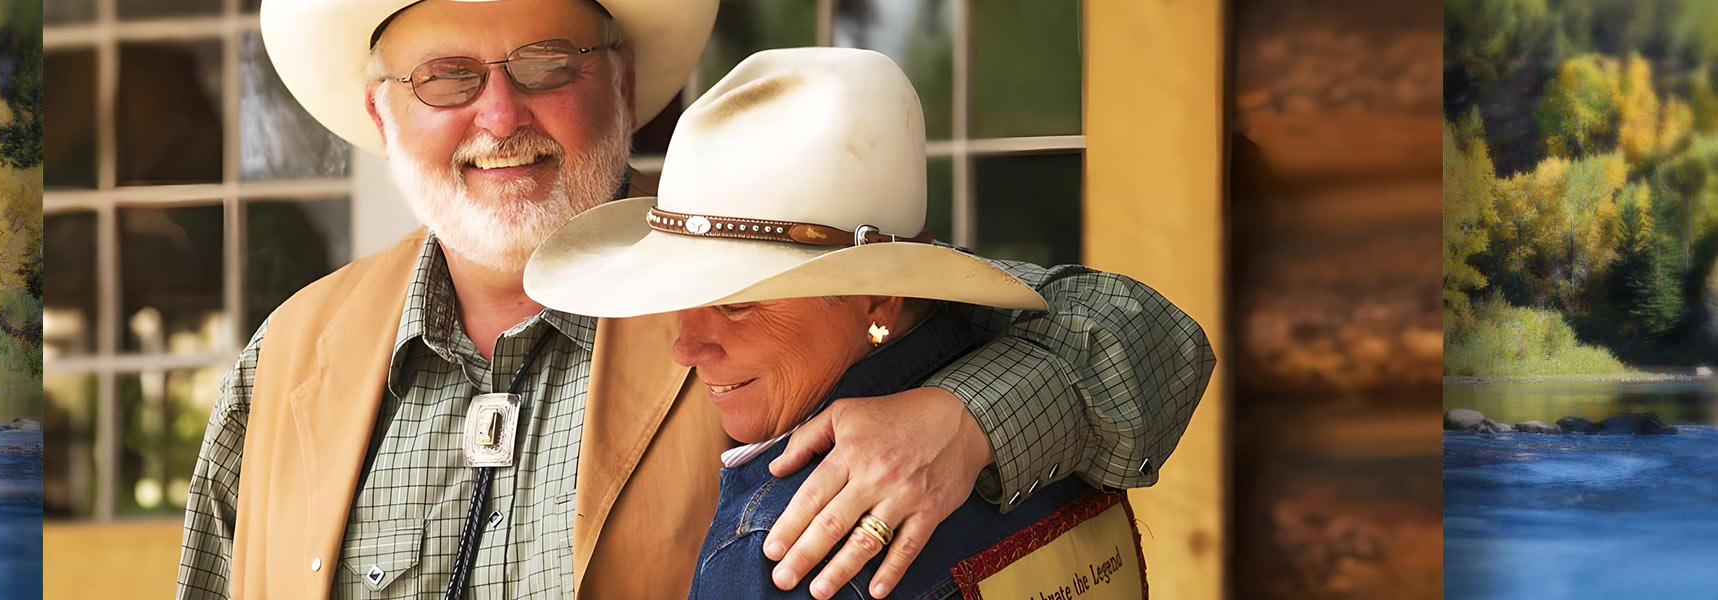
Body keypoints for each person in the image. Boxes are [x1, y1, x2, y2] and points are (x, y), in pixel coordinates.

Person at [176, 1, 1215, 599]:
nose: (500, 114)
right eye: (446, 80)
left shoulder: (760, 264)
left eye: (546, 63)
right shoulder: (289, 357)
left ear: (624, 81)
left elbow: (1148, 336)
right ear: (381, 113)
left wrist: (968, 418)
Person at [524, 47, 1173, 600]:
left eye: (737, 300)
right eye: (682, 291)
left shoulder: (783, 546)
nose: (685, 347)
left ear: (879, 296)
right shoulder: (1055, 395)